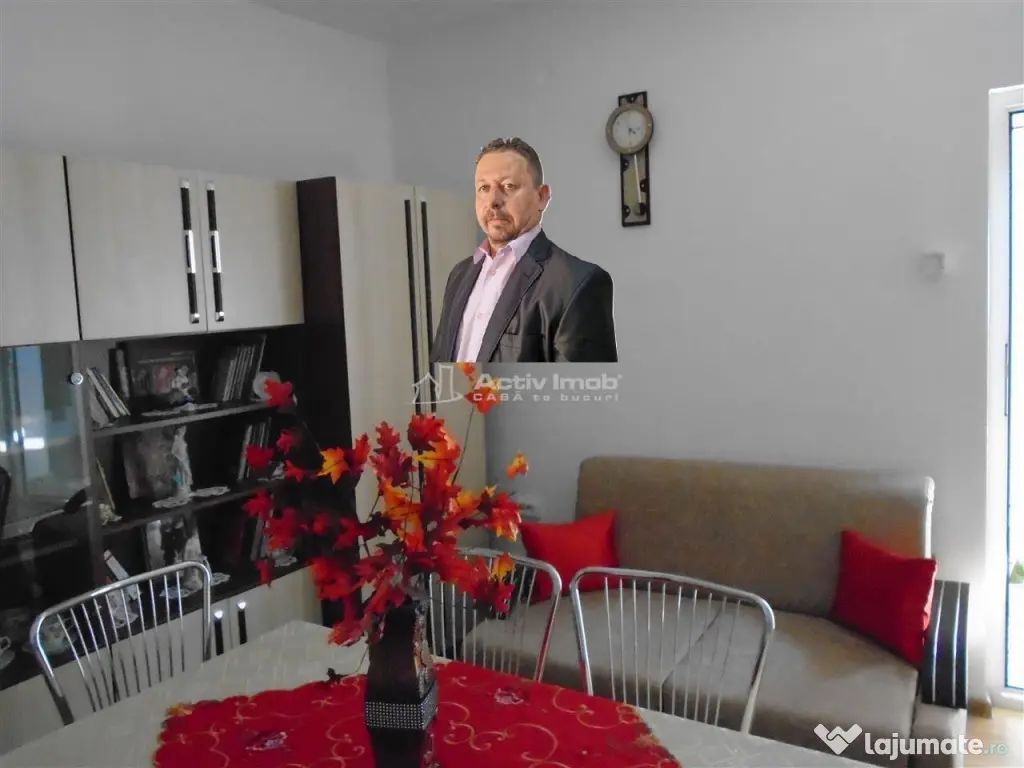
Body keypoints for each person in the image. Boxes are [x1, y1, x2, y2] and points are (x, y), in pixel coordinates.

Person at [430, 137, 617, 364]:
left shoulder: (577, 283)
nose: (493, 200)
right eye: (484, 188)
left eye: (509, 186)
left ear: (542, 197)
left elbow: (580, 385)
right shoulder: (459, 275)